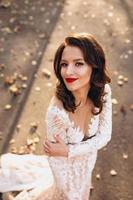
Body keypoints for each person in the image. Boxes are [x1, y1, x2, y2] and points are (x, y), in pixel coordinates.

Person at [0, 33, 112, 200]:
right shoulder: (57, 113)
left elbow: (105, 135)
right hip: (65, 177)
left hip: (87, 164)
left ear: (94, 66)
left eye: (79, 64)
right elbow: (56, 161)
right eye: (64, 64)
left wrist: (69, 150)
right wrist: (68, 192)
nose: (68, 71)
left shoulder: (103, 91)